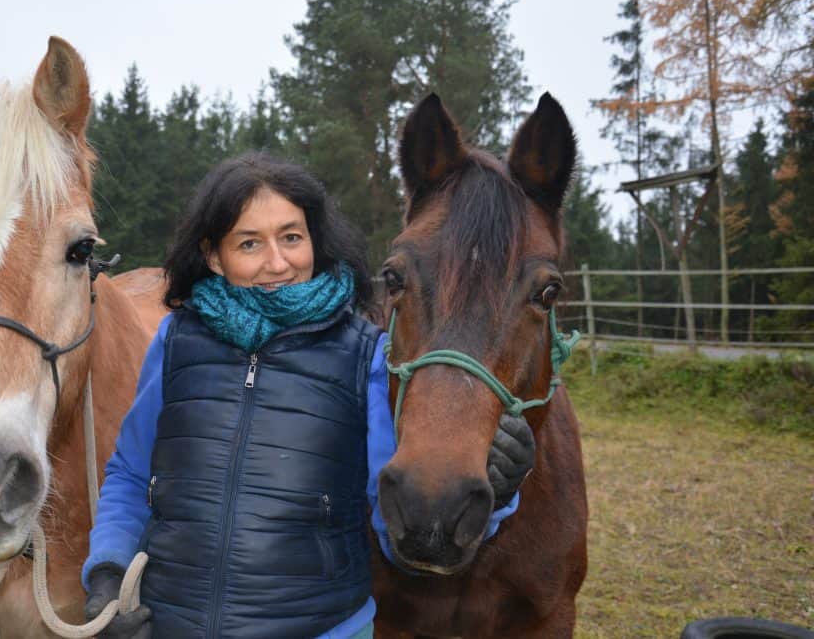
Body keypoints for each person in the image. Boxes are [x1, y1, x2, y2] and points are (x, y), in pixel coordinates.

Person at [81, 153, 535, 638]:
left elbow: (397, 519)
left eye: (292, 237)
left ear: (315, 241)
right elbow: (131, 473)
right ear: (215, 256)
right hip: (173, 624)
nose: (278, 263)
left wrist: (496, 491)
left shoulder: (367, 356)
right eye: (250, 243)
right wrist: (109, 573)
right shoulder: (175, 341)